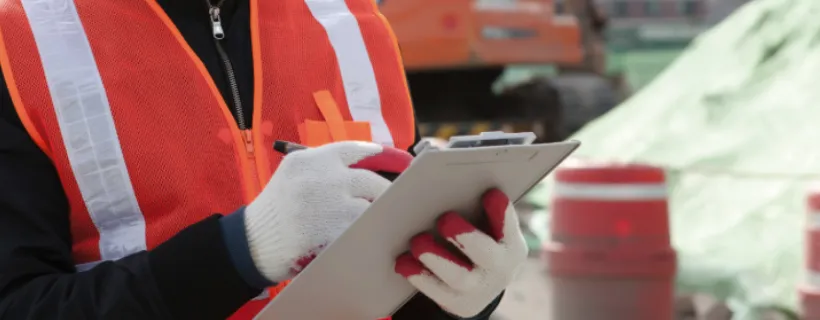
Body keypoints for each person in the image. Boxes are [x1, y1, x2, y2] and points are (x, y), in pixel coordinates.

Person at [0, 0, 528, 319]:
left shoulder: (351, 23)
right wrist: (241, 250)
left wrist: (460, 291)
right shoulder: (20, 43)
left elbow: (387, 282)